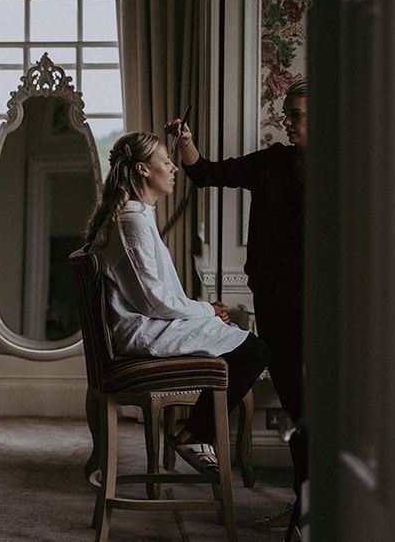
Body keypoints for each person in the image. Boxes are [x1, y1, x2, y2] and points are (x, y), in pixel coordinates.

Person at [83, 131, 269, 475]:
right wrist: (206, 309)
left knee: (236, 338)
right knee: (253, 350)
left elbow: (154, 296)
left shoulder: (136, 216)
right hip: (143, 331)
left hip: (146, 323)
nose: (175, 169)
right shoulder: (133, 221)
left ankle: (194, 433)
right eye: (166, 162)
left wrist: (205, 311)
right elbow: (154, 301)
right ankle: (193, 435)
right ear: (142, 169)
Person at [166, 79, 307, 526]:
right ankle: (305, 503)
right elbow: (206, 173)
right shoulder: (272, 162)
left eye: (296, 114)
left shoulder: (350, 170)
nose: (287, 121)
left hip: (328, 309)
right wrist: (186, 144)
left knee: (322, 406)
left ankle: (319, 505)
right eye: (287, 112)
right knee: (296, 405)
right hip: (276, 302)